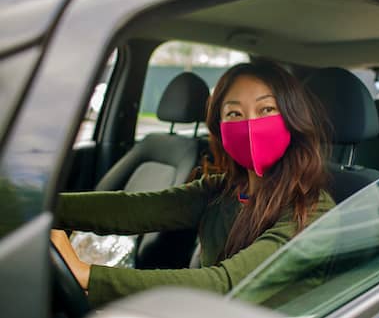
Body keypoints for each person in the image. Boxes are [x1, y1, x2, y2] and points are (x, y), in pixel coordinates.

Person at [51, 60, 335, 308]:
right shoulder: (221, 191)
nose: (250, 124)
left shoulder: (311, 208)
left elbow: (226, 285)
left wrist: (87, 274)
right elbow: (135, 208)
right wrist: (44, 206)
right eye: (234, 114)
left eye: (266, 109)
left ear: (291, 119)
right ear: (219, 129)